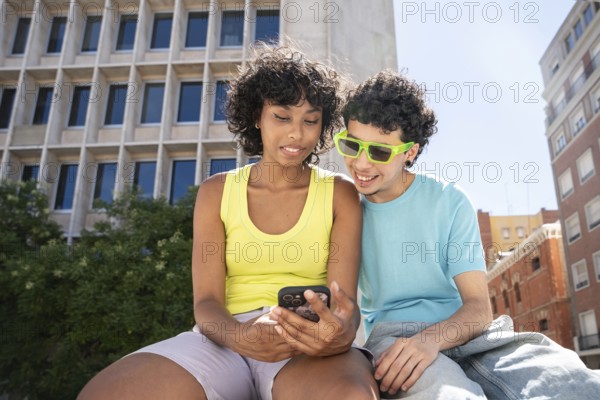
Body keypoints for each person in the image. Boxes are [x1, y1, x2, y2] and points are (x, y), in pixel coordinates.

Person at [78, 46, 378, 400]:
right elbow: (206, 303)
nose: (297, 134)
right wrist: (241, 337)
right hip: (224, 338)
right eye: (282, 117)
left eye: (310, 120)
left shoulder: (339, 194)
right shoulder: (216, 192)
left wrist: (342, 331)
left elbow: (344, 303)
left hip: (304, 340)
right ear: (257, 116)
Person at [326, 70, 600, 399]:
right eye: (352, 145)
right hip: (395, 341)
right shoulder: (345, 212)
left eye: (380, 152)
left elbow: (478, 308)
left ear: (410, 153)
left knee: (576, 383)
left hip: (473, 335)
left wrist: (431, 339)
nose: (361, 162)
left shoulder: (449, 201)